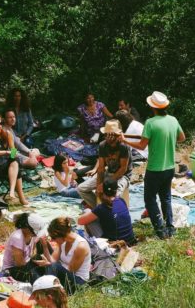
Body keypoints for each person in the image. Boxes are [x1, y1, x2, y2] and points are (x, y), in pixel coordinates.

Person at [121, 91, 185, 239]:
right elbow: (182, 137)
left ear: (152, 107)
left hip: (155, 169)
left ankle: (160, 231)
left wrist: (124, 140)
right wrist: (167, 138)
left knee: (150, 200)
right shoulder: (173, 120)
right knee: (166, 198)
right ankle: (170, 227)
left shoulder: (150, 122)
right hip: (169, 167)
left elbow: (142, 146)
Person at [77, 120, 131, 209]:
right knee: (81, 188)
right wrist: (99, 185)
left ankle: (116, 213)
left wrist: (106, 184)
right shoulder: (103, 145)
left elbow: (123, 169)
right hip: (108, 173)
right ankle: (99, 208)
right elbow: (101, 168)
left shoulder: (123, 146)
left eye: (111, 135)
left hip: (122, 176)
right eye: (106, 134)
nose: (108, 137)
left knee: (115, 195)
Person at [0, 114, 29, 206]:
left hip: (9, 163)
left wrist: (13, 152)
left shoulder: (7, 134)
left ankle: (12, 191)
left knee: (15, 161)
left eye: (1, 123)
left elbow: (12, 151)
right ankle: (21, 198)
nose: (0, 126)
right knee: (16, 166)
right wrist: (5, 152)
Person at [79, 179, 136, 245]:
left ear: (101, 191)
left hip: (113, 244)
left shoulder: (102, 208)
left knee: (87, 212)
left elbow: (80, 221)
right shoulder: (121, 200)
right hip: (130, 240)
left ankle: (94, 242)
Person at [44, 217, 91, 292]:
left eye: (53, 237)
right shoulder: (63, 242)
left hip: (78, 281)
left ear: (60, 235)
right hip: (64, 273)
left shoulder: (80, 246)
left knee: (54, 267)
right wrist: (45, 246)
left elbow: (71, 270)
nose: (52, 240)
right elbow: (52, 260)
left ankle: (48, 291)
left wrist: (49, 265)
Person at [1, 213, 50, 283]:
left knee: (47, 260)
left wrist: (39, 260)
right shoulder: (17, 238)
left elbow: (32, 252)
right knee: (35, 274)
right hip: (13, 269)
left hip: (26, 263)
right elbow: (19, 264)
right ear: (27, 228)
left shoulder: (31, 235)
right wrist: (37, 265)